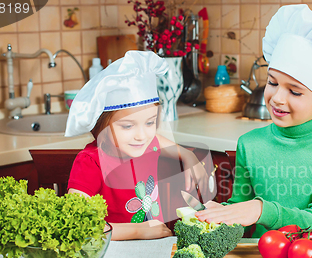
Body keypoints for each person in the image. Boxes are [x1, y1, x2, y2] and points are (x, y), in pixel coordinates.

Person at [195, 5, 312, 239]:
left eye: (294, 92)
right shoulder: (249, 143)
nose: (276, 98)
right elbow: (241, 213)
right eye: (272, 82)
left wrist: (261, 210)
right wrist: (214, 216)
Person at [65, 51, 208, 241]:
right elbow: (79, 224)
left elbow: (160, 141)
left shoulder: (147, 144)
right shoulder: (91, 161)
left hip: (152, 249)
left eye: (149, 123)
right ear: (102, 125)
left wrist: (189, 157)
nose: (141, 136)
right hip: (112, 254)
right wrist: (138, 231)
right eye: (127, 126)